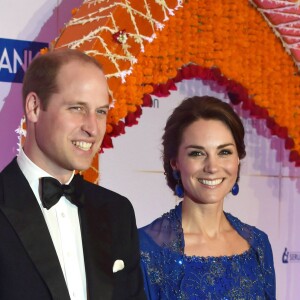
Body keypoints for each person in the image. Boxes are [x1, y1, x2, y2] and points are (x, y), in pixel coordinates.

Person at [0, 49, 146, 300]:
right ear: (34, 107)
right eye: (77, 108)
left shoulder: (117, 212)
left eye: (100, 111)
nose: (92, 127)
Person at [138, 96, 276, 299]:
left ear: (238, 159)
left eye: (224, 152)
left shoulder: (259, 245)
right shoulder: (145, 250)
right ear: (175, 162)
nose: (212, 167)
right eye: (197, 153)